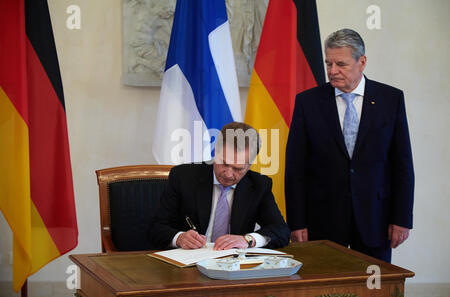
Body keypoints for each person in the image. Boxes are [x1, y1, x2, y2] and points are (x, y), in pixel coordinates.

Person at [285, 29, 414, 262]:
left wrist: (402, 218)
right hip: (323, 220)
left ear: (361, 62)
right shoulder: (308, 102)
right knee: (324, 292)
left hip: (376, 218)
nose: (332, 71)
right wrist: (297, 222)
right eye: (328, 63)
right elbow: (295, 169)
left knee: (373, 290)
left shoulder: (390, 100)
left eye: (341, 64)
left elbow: (402, 164)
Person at [149, 122, 290, 250]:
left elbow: (281, 230)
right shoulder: (183, 177)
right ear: (215, 151)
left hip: (233, 267)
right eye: (224, 163)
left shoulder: (259, 185)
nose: (228, 174)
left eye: (238, 168)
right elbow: (156, 228)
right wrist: (179, 238)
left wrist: (248, 239)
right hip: (188, 263)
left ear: (249, 165)